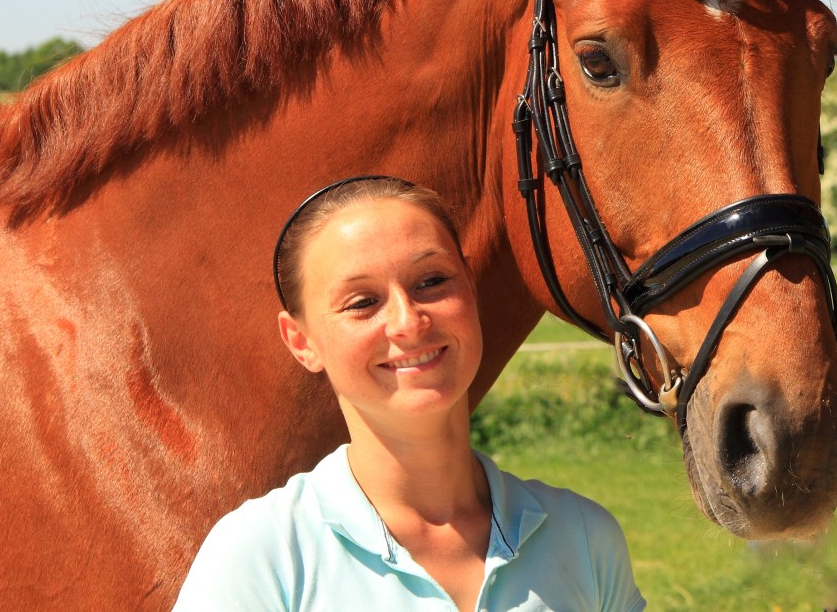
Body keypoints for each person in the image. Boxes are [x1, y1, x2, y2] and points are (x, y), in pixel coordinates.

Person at [174, 175, 646, 612]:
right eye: (362, 302)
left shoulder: (584, 538)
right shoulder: (262, 556)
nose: (408, 321)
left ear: (471, 288)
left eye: (432, 281)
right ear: (301, 342)